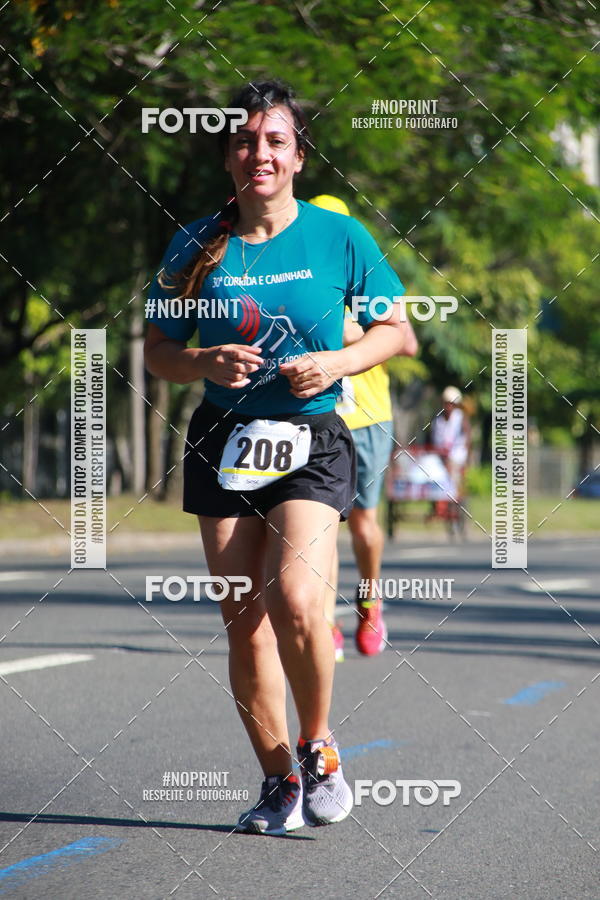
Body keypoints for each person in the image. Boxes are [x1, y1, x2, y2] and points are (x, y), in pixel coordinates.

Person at [144, 80, 414, 836]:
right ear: (229, 156)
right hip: (224, 441)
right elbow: (158, 354)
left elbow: (395, 331)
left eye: (273, 140)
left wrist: (338, 363)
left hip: (313, 440)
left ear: (297, 155)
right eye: (243, 141)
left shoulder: (339, 237)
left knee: (298, 599)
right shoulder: (196, 243)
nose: (257, 153)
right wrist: (203, 363)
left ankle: (319, 743)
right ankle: (277, 782)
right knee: (244, 619)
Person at [309, 196, 417, 660]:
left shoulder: (368, 275)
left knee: (364, 525)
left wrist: (350, 332)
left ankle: (370, 600)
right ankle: (325, 622)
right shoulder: (303, 278)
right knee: (324, 523)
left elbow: (407, 341)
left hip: (369, 417)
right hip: (318, 415)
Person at [431, 386, 471, 511]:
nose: (449, 407)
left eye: (452, 404)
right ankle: (436, 505)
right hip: (440, 457)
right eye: (447, 403)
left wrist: (465, 458)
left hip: (456, 457)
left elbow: (468, 439)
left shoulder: (460, 418)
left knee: (454, 477)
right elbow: (434, 441)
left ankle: (454, 506)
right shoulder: (437, 420)